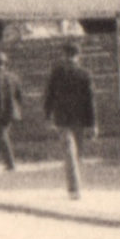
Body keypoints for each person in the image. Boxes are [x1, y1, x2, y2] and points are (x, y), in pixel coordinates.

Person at [42, 41, 98, 199]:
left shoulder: (57, 73)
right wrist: (93, 124)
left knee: (69, 153)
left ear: (64, 55)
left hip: (62, 119)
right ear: (79, 56)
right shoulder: (85, 74)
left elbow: (49, 96)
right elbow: (90, 100)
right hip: (80, 119)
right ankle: (76, 187)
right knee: (77, 153)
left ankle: (74, 189)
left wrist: (47, 116)